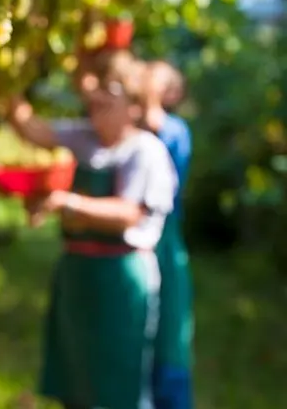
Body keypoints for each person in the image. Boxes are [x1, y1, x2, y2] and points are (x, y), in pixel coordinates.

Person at [8, 50, 178, 409]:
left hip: (121, 278)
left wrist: (69, 203)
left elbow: (129, 213)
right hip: (76, 274)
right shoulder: (84, 138)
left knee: (119, 379)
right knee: (76, 374)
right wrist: (9, 87)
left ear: (132, 106)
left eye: (108, 102)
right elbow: (34, 131)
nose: (96, 110)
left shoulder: (144, 151)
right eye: (94, 101)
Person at [140, 60, 193, 409]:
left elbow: (152, 120)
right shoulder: (132, 123)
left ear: (171, 93)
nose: (145, 75)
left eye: (153, 76)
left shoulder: (174, 130)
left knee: (169, 336)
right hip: (137, 245)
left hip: (164, 245)